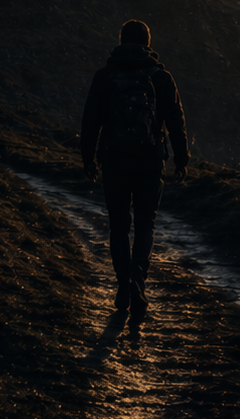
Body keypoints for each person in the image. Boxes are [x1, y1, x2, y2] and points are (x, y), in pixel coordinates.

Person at [80, 20, 190, 337]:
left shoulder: (105, 76)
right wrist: (182, 160)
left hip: (114, 161)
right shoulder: (161, 77)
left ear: (121, 41)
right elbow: (176, 120)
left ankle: (123, 287)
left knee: (118, 226)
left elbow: (91, 121)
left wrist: (89, 159)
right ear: (147, 42)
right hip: (149, 162)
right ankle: (137, 283)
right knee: (145, 225)